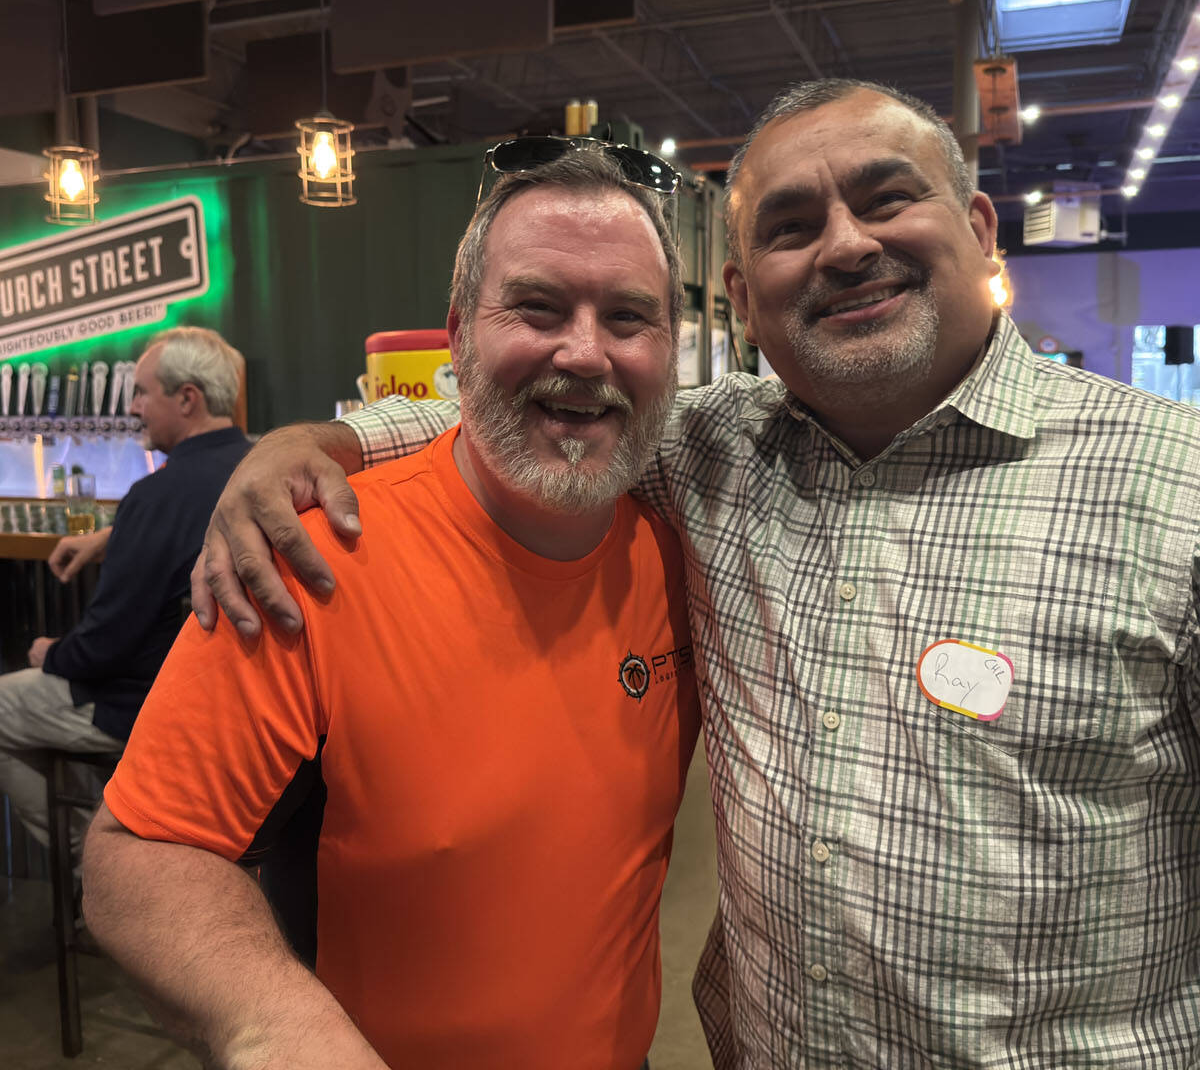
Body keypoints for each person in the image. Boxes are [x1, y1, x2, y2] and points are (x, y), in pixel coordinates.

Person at [190, 78, 1200, 1069]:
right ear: (740, 299)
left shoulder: (1174, 487)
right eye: (791, 226)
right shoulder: (710, 451)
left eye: (887, 198)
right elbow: (529, 408)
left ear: (981, 229)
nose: (847, 245)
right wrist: (312, 443)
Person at [83, 146, 700, 1070]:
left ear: (671, 348)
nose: (583, 352)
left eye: (627, 317)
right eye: (536, 307)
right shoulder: (313, 554)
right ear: (457, 336)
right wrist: (282, 1030)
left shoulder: (683, 550)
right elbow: (140, 849)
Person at [0, 326, 249, 858]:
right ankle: (116, 832)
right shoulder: (258, 466)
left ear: (187, 399)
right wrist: (111, 538)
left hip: (146, 707)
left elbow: (103, 646)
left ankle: (92, 870)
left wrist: (52, 655)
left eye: (142, 392)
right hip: (235, 707)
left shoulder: (155, 495)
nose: (133, 407)